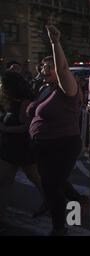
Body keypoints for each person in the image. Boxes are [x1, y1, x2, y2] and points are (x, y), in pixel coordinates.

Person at [26, 25, 82, 235]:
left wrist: (54, 42)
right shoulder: (45, 88)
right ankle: (75, 204)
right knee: (53, 184)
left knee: (52, 186)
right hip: (43, 146)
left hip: (63, 144)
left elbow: (63, 70)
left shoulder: (68, 88)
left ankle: (63, 226)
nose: (44, 70)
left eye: (50, 67)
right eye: (43, 67)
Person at [0, 71, 46, 231]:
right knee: (5, 182)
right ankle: (2, 216)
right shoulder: (10, 101)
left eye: (3, 85)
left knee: (36, 179)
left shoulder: (25, 103)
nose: (2, 88)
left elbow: (27, 127)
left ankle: (53, 205)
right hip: (8, 149)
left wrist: (6, 128)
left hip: (23, 148)